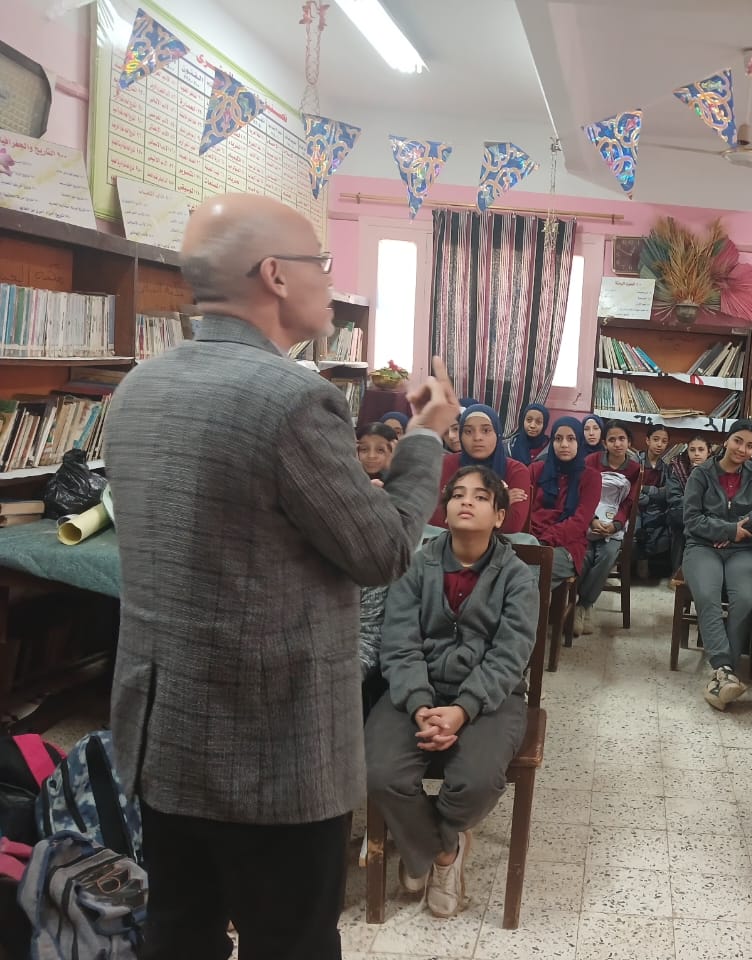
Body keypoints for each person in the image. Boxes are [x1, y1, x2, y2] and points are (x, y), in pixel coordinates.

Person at [102, 193, 459, 960]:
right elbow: (382, 552)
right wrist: (425, 438)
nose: (330, 281)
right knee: (290, 942)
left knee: (178, 932)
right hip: (271, 750)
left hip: (161, 736)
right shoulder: (294, 398)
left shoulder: (137, 388)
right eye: (319, 264)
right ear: (275, 275)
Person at [365, 466, 537, 919]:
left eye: (480, 497)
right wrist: (420, 705)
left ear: (499, 516)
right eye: (458, 494)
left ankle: (425, 844)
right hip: (415, 690)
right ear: (444, 510)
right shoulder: (416, 565)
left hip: (490, 697)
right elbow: (398, 644)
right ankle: (443, 852)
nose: (466, 502)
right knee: (378, 772)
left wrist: (461, 710)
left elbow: (509, 656)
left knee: (477, 781)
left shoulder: (517, 577)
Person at [682, 419, 752, 709]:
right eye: (738, 441)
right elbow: (691, 519)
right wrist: (727, 530)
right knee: (707, 595)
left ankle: (723, 673)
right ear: (726, 440)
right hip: (702, 546)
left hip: (743, 549)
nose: (742, 449)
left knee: (745, 598)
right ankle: (725, 669)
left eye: (750, 446)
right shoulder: (701, 473)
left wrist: (741, 527)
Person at [577, 422, 641, 635]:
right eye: (612, 440)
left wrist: (615, 525)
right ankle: (581, 605)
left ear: (629, 442)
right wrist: (592, 520)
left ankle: (583, 605)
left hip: (615, 522)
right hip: (589, 518)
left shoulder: (634, 469)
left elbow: (629, 503)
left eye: (622, 439)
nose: (617, 444)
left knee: (607, 555)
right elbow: (582, 494)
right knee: (585, 555)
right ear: (604, 443)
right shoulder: (591, 461)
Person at [428, 404, 531, 535]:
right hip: (447, 541)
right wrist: (499, 501)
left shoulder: (517, 471)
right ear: (461, 435)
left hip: (499, 545)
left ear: (497, 434)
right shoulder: (445, 464)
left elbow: (512, 525)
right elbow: (435, 518)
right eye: (468, 431)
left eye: (486, 430)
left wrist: (456, 505)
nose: (477, 438)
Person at [529, 417, 603, 587]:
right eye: (558, 438)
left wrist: (545, 540)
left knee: (527, 575)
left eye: (571, 439)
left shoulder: (591, 478)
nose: (564, 445)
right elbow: (524, 510)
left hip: (567, 545)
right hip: (530, 539)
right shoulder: (536, 470)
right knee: (505, 569)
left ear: (579, 442)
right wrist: (532, 539)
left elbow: (580, 522)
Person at [666, 435, 711, 574]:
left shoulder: (716, 469)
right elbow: (674, 498)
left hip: (708, 513)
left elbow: (717, 498)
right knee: (684, 524)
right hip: (683, 511)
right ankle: (678, 573)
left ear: (709, 452)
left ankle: (702, 573)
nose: (696, 454)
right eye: (692, 450)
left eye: (701, 450)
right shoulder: (678, 467)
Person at [635, 424, 672, 581]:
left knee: (659, 531)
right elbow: (632, 488)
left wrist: (646, 490)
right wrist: (648, 496)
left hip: (655, 508)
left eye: (664, 441)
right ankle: (639, 561)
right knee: (636, 530)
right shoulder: (636, 460)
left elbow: (666, 492)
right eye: (656, 439)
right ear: (647, 440)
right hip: (635, 506)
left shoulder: (666, 467)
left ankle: (644, 559)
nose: (659, 444)